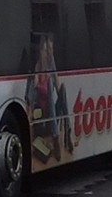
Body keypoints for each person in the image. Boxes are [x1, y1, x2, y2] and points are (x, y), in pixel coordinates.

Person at [24, 32, 74, 162]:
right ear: (40, 52)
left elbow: (59, 90)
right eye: (46, 50)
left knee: (62, 89)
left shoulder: (51, 65)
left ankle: (67, 132)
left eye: (51, 50)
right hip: (43, 120)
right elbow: (30, 98)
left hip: (53, 118)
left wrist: (60, 93)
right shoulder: (36, 70)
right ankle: (56, 136)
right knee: (50, 83)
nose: (49, 53)